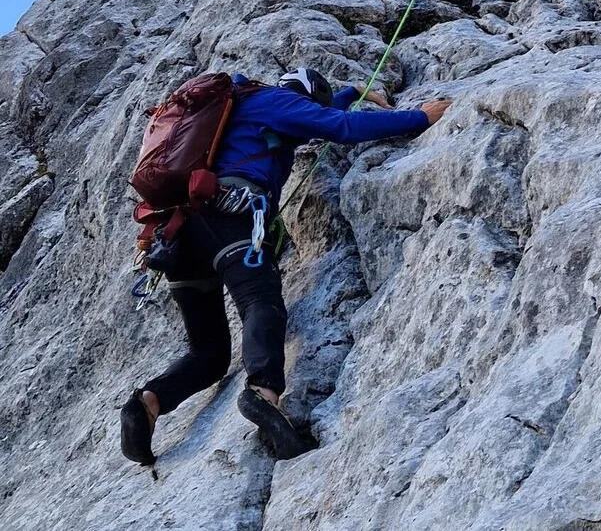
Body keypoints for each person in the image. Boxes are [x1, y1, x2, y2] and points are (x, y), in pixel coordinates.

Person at [120, 68, 451, 464]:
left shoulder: (240, 108)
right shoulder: (276, 104)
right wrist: (420, 117)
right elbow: (338, 126)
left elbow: (314, 118)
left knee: (208, 354)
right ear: (306, 96)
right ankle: (263, 393)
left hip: (177, 233)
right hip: (230, 216)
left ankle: (149, 401)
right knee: (260, 301)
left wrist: (354, 90)